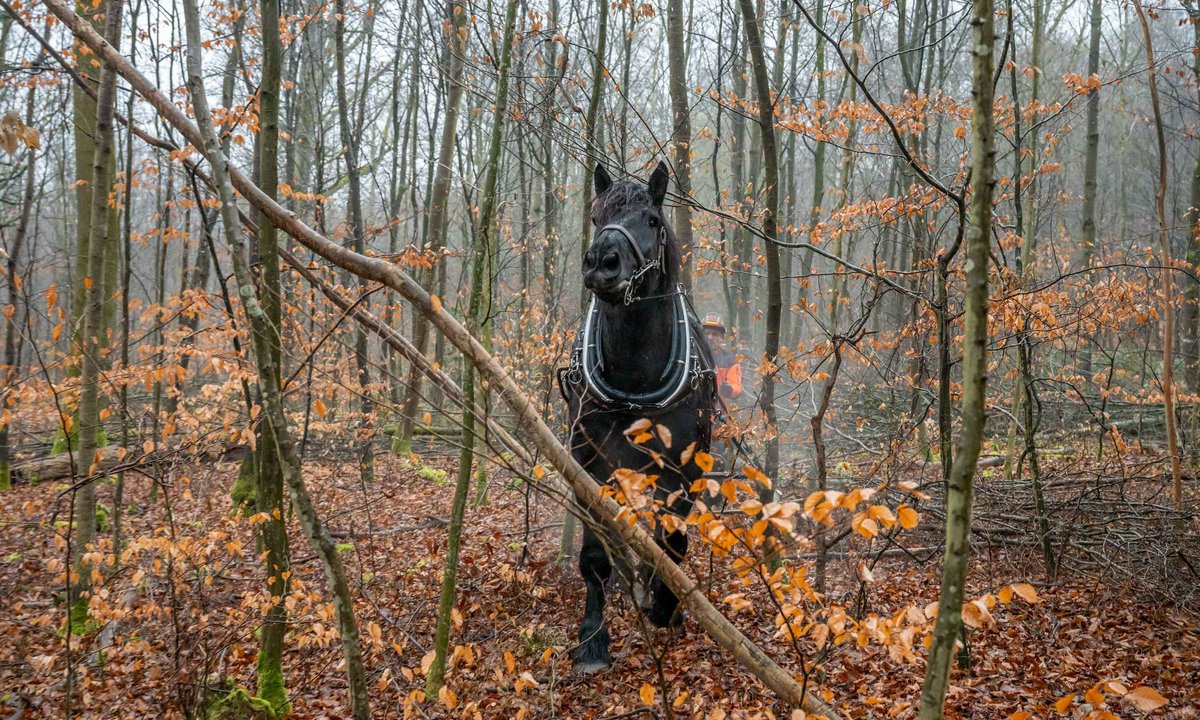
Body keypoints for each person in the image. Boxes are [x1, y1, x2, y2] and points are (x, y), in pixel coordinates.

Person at [702, 312, 742, 406]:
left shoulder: (730, 360)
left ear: (722, 337)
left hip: (718, 413)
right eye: (707, 333)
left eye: (715, 334)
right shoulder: (692, 356)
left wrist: (729, 389)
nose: (710, 337)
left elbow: (736, 387)